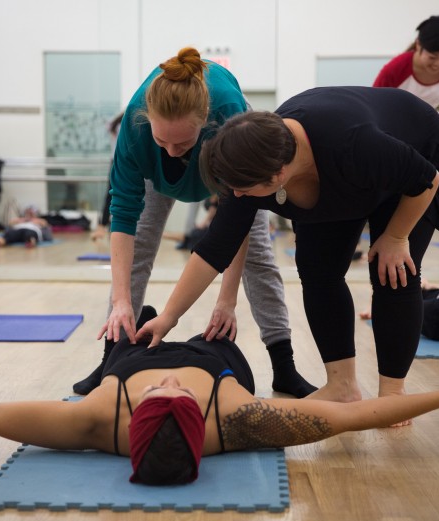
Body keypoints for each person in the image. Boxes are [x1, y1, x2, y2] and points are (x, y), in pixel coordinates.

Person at [136, 87, 439, 427]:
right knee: (318, 270)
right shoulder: (248, 162)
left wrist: (396, 237)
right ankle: (342, 386)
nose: (235, 195)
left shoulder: (355, 144)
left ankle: (393, 395)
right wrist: (168, 317)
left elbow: (427, 179)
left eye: (242, 189)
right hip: (342, 175)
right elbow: (214, 248)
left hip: (413, 158)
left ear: (277, 177)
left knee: (392, 271)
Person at [0, 340, 439, 486]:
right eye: (175, 398)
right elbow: (347, 420)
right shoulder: (239, 419)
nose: (171, 387)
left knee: (127, 333)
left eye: (166, 397)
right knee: (221, 335)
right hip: (217, 350)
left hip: (129, 351)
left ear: (133, 425)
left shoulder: (95, 418)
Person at [75, 47, 315, 399]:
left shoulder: (228, 114)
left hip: (228, 162)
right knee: (139, 244)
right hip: (155, 176)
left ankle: (284, 366)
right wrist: (122, 302)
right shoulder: (135, 126)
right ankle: (111, 358)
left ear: (205, 122)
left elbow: (240, 223)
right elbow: (123, 215)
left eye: (183, 142)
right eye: (162, 141)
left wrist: (227, 299)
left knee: (259, 258)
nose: (172, 151)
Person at [373, 15, 439, 281]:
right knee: (397, 222)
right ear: (418, 46)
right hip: (401, 154)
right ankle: (393, 284)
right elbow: (373, 110)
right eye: (433, 57)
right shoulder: (395, 69)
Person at [91, 112, 125, 242]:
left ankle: (102, 226)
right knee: (112, 195)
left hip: (117, 161)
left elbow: (108, 125)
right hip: (120, 161)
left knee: (111, 195)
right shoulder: (122, 124)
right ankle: (102, 226)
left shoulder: (115, 124)